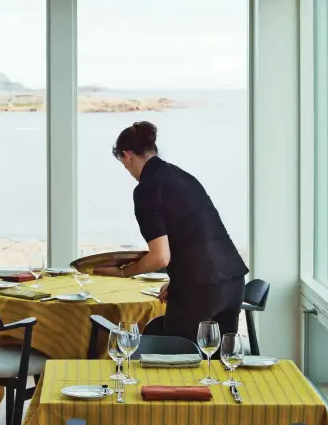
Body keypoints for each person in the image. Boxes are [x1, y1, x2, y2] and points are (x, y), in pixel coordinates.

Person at [95, 121, 248, 343]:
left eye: (124, 163)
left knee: (178, 366)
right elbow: (199, 233)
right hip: (232, 281)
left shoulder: (146, 189)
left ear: (127, 155)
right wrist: (178, 281)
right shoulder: (183, 177)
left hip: (200, 290)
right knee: (219, 364)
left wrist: (123, 273)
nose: (128, 170)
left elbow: (160, 257)